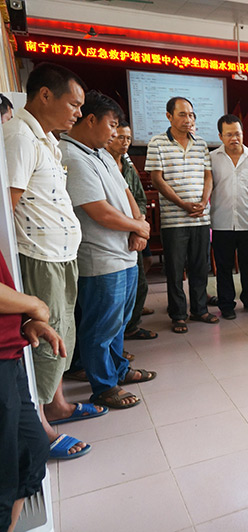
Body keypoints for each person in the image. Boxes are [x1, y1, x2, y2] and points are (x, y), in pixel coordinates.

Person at [5, 62, 95, 459]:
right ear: (45, 95)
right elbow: (8, 209)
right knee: (46, 337)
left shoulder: (44, 138)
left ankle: (57, 403)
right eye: (73, 104)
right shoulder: (19, 137)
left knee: (63, 332)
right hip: (40, 257)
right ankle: (41, 422)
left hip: (61, 253)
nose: (78, 112)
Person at [62, 89, 158, 410]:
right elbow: (98, 210)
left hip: (125, 252)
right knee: (100, 328)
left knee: (117, 324)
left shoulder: (100, 152)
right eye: (112, 124)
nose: (115, 133)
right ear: (91, 120)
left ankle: (117, 370)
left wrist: (139, 225)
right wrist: (136, 227)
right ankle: (103, 386)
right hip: (100, 259)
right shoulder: (72, 156)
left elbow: (126, 191)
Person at [146, 96, 218, 332]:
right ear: (169, 116)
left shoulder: (200, 143)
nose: (188, 119)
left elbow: (208, 175)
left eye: (191, 115)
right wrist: (182, 204)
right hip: (173, 219)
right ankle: (178, 314)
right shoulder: (157, 142)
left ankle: (200, 310)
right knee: (176, 270)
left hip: (201, 216)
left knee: (200, 265)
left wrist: (203, 201)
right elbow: (157, 178)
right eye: (182, 114)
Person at [0, 250, 59, 531]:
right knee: (4, 474)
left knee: (30, 452)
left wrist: (24, 321)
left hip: (9, 354)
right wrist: (34, 305)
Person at [106, 120, 157, 342]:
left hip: (134, 231)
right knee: (117, 293)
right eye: (120, 137)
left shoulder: (127, 166)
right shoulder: (102, 163)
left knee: (139, 282)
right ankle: (121, 331)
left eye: (128, 138)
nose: (125, 142)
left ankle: (131, 326)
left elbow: (139, 197)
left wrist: (139, 228)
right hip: (112, 234)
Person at [209, 114, 248, 320]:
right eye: (229, 134)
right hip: (222, 222)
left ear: (243, 134)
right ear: (221, 136)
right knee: (223, 267)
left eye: (238, 133)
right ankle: (226, 305)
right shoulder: (212, 158)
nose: (234, 138)